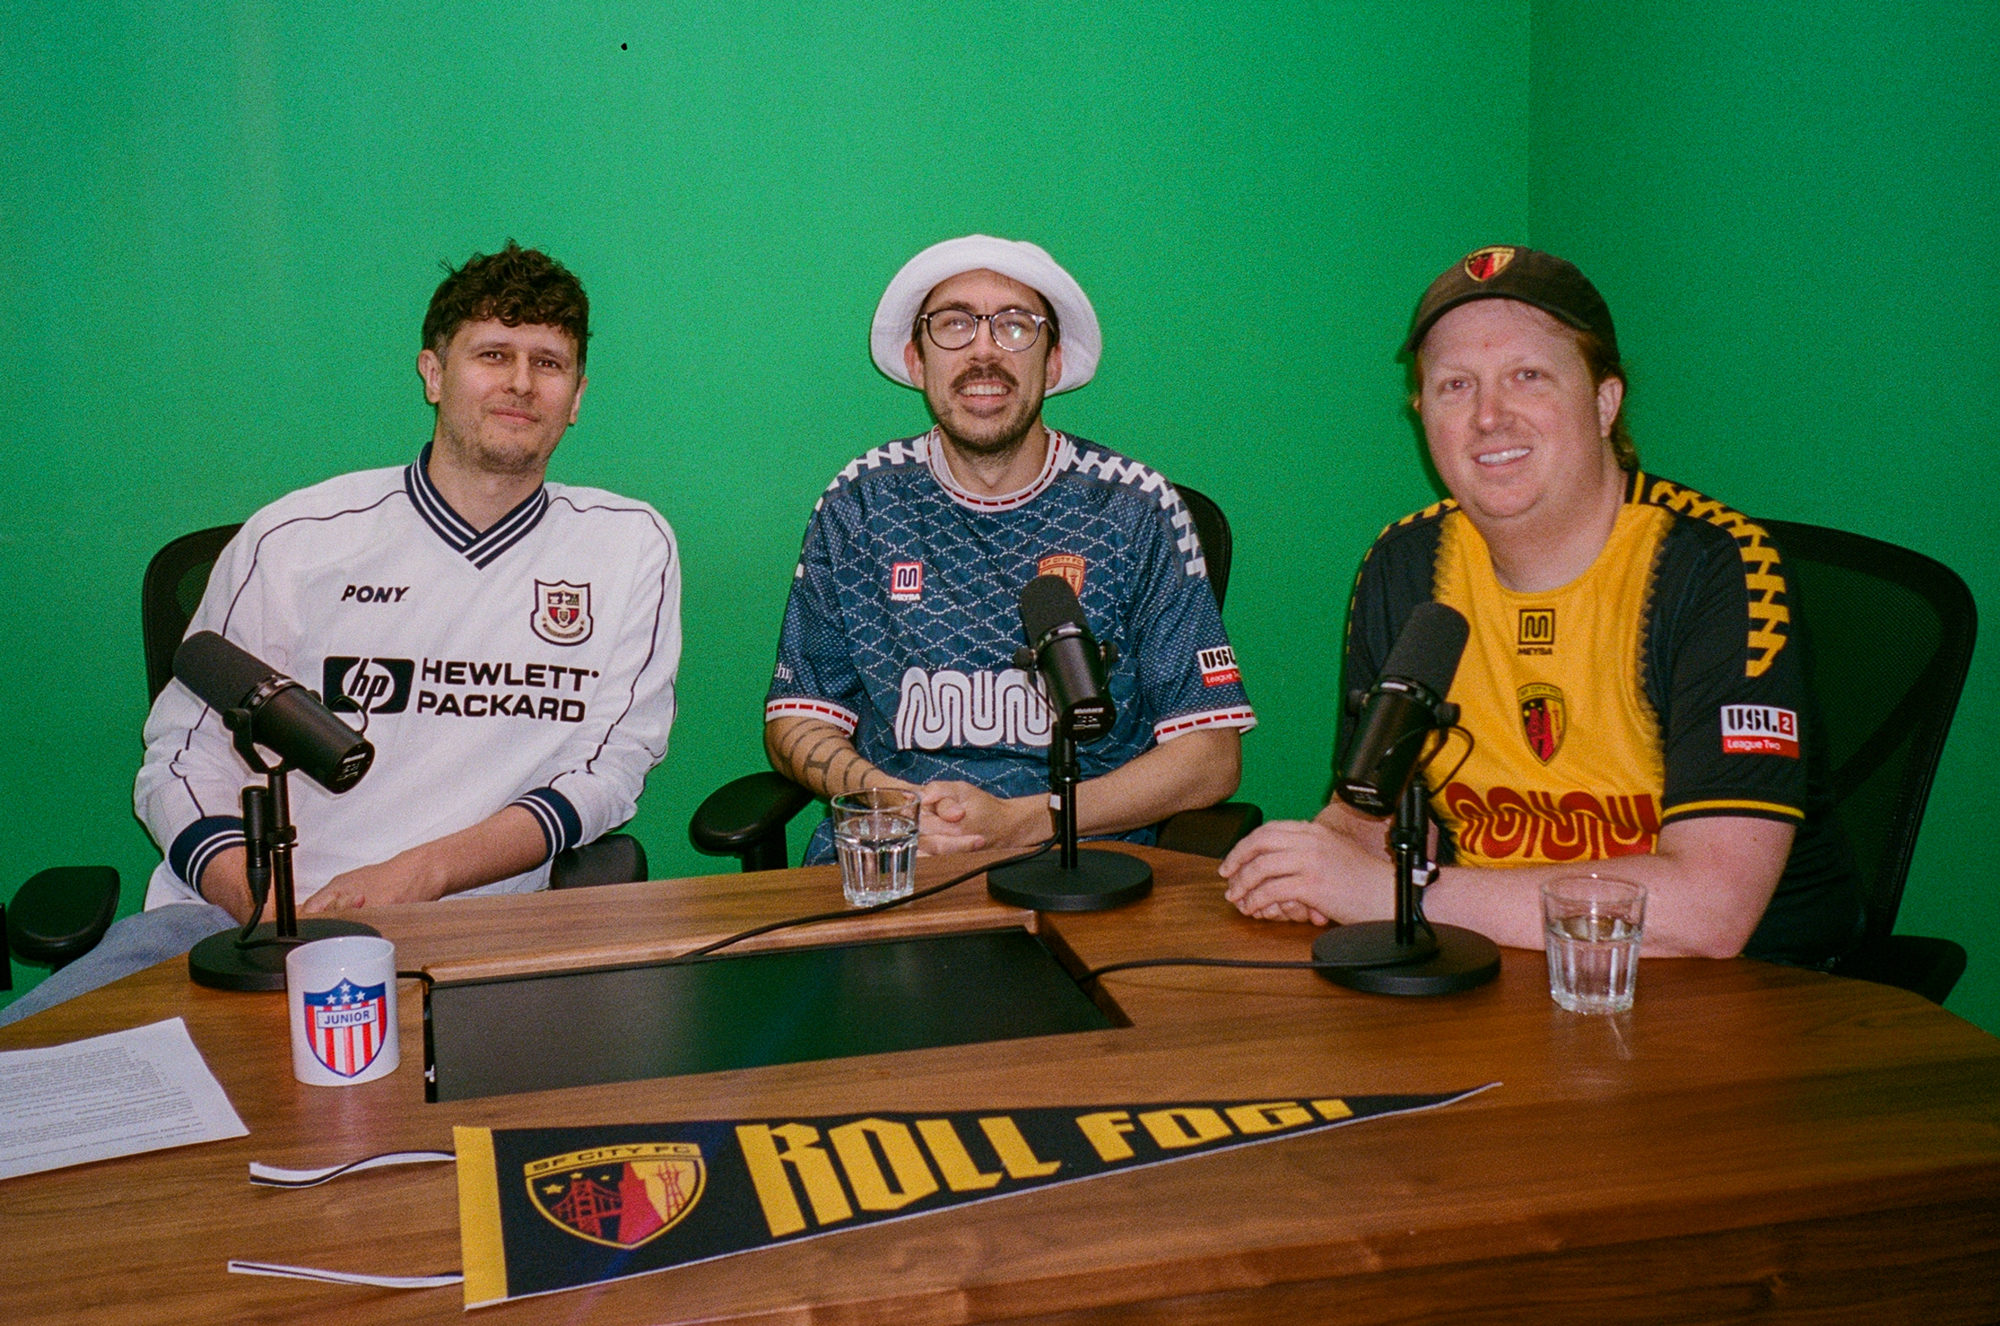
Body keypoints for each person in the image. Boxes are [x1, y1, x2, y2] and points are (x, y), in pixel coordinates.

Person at [1, 242, 680, 1026]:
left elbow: (607, 771)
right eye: (493, 354)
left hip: (468, 932)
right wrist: (269, 913)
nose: (521, 383)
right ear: (432, 372)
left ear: (578, 395)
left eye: (549, 363)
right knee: (34, 1087)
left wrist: (419, 876)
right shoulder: (296, 537)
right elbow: (180, 761)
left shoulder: (628, 546)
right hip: (231, 930)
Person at [1221, 245, 1862, 965]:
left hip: (1744, 996)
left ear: (1603, 400)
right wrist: (1313, 862)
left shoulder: (1717, 568)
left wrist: (1399, 895)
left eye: (1528, 377)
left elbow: (1710, 911)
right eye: (1455, 386)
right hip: (1511, 962)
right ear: (1422, 413)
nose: (1490, 417)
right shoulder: (1403, 565)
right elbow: (1376, 815)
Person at [763, 234, 1254, 861]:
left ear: (1052, 361)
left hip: (1078, 858)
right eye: (955, 325)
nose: (984, 351)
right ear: (917, 360)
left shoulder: (1136, 509)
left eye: (1016, 327)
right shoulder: (859, 504)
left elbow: (1212, 756)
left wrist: (1030, 821)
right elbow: (796, 718)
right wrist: (897, 804)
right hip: (894, 856)